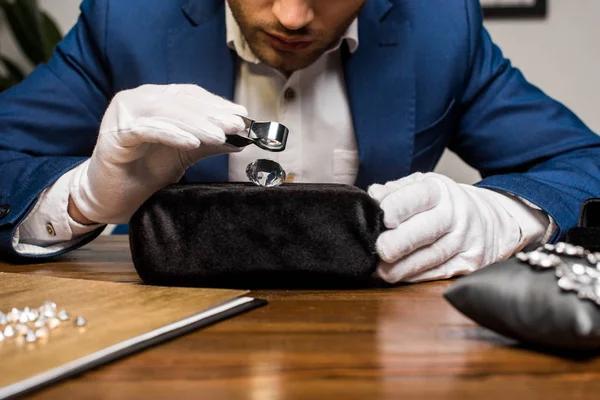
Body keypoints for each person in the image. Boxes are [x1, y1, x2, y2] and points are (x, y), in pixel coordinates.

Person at [1, 0, 599, 283]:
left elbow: (584, 162)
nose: (291, 17)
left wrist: (504, 214)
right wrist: (83, 198)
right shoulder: (125, 18)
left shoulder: (442, 26)